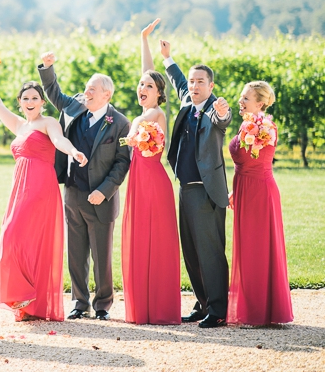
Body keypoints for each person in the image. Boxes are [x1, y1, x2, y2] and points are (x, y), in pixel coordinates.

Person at [0, 67, 87, 322]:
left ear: (42, 102)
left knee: (18, 236)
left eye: (35, 98)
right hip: (20, 188)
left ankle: (28, 299)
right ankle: (25, 302)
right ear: (20, 102)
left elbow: (59, 141)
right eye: (26, 98)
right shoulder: (18, 124)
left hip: (40, 188)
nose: (30, 102)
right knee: (13, 238)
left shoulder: (48, 123)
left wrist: (73, 152)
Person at [38, 53, 130, 321]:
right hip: (73, 193)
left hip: (101, 197)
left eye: (92, 89)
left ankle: (103, 305)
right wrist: (47, 68)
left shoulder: (120, 123)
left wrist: (105, 190)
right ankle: (80, 302)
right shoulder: (75, 107)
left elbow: (122, 163)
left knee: (102, 256)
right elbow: (53, 91)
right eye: (87, 88)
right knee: (76, 254)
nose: (86, 92)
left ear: (106, 95)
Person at [160, 38, 232, 328]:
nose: (194, 85)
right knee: (190, 251)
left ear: (210, 86)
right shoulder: (187, 102)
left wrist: (224, 112)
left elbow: (221, 120)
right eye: (192, 81)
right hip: (185, 190)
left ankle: (217, 309)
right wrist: (167, 58)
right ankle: (202, 304)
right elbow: (178, 81)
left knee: (210, 252)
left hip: (206, 192)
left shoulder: (215, 108)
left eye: (200, 81)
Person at [120, 20, 181, 325]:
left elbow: (139, 125)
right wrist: (144, 40)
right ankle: (142, 306)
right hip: (137, 182)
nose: (142, 87)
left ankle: (158, 307)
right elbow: (149, 72)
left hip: (154, 183)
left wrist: (132, 132)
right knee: (140, 240)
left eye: (149, 86)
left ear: (159, 93)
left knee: (155, 241)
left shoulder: (155, 113)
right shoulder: (147, 109)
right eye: (141, 85)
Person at [227, 81, 293, 326]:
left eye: (246, 98)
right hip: (244, 190)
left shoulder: (266, 126)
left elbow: (257, 158)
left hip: (260, 192)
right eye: (241, 97)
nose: (240, 102)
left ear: (260, 103)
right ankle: (251, 307)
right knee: (247, 247)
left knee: (259, 248)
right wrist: (235, 190)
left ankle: (264, 311)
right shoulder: (247, 124)